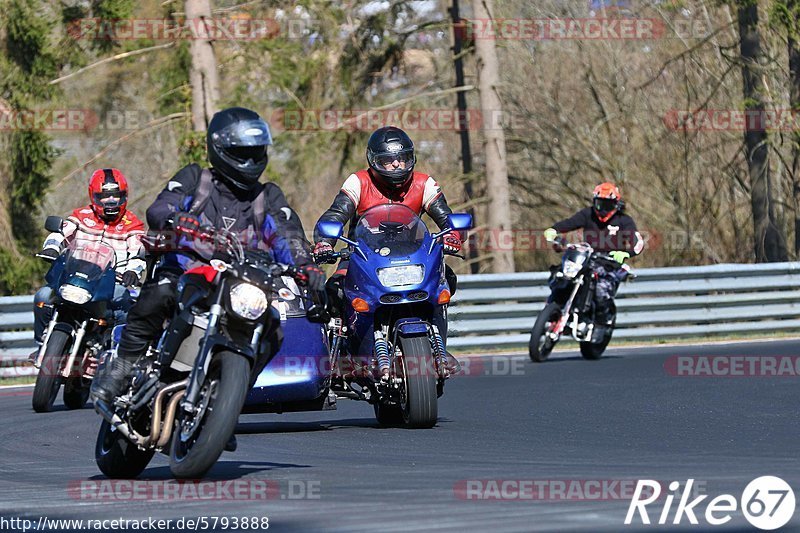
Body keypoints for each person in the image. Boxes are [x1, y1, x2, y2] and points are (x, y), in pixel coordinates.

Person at [90, 108, 326, 424]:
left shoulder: (267, 196)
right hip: (187, 268)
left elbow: (287, 233)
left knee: (271, 324)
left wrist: (306, 266)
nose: (251, 157)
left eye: (256, 151)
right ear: (221, 149)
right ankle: (120, 371)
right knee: (159, 293)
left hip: (239, 280)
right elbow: (160, 208)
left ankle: (230, 400)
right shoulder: (195, 179)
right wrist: (175, 219)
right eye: (243, 152)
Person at [312, 126, 462, 356]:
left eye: (402, 159)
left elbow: (448, 218)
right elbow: (335, 214)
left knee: (446, 278)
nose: (396, 165)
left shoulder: (424, 184)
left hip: (413, 257)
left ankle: (436, 345)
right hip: (362, 258)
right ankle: (337, 352)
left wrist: (453, 235)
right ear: (374, 161)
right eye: (388, 161)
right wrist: (325, 243)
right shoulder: (359, 182)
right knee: (333, 291)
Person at [33, 168, 145, 354]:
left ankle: (116, 357)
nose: (111, 201)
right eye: (105, 196)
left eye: (116, 196)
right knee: (42, 297)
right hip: (75, 278)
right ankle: (42, 343)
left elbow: (138, 252)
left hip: (111, 284)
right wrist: (51, 248)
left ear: (124, 196)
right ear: (94, 196)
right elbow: (60, 233)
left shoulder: (132, 224)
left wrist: (133, 271)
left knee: (128, 309)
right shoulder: (81, 216)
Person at [543, 182, 644, 340]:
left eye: (607, 204)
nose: (602, 208)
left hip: (608, 264)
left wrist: (624, 253)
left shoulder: (624, 221)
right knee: (561, 276)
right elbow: (570, 223)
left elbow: (638, 243)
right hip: (586, 259)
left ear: (616, 204)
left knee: (601, 291)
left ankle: (601, 324)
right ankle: (553, 309)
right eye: (599, 203)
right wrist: (554, 230)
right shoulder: (587, 214)